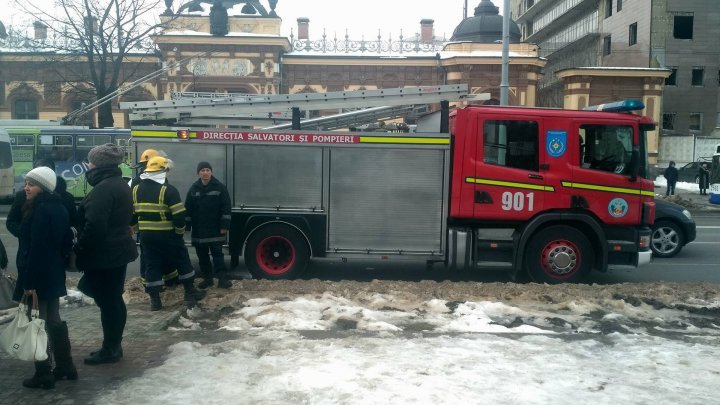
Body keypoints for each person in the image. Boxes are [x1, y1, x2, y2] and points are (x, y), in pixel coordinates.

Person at [74, 143, 138, 365]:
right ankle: (112, 346)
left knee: (109, 302)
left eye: (90, 162)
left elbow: (95, 227)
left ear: (99, 164)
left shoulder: (103, 189)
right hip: (116, 251)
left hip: (105, 255)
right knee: (112, 300)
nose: (88, 165)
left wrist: (79, 249)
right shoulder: (118, 184)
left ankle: (110, 349)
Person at [13, 167, 75, 389]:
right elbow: (65, 242)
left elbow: (35, 249)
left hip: (37, 275)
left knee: (35, 323)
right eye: (26, 183)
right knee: (53, 319)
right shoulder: (58, 207)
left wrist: (29, 283)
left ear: (44, 187)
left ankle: (43, 372)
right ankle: (66, 366)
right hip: (53, 272)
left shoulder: (40, 210)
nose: (26, 188)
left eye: (32, 184)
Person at [131, 156, 206, 311]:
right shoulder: (168, 190)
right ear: (162, 171)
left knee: (151, 265)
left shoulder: (136, 189)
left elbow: (132, 215)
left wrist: (137, 229)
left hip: (146, 236)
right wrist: (179, 232)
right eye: (167, 171)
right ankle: (190, 294)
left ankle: (155, 300)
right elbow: (178, 215)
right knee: (182, 260)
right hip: (168, 235)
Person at [130, 149, 180, 288]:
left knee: (153, 258)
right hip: (153, 228)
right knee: (149, 259)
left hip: (147, 229)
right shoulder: (141, 181)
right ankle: (149, 284)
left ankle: (161, 283)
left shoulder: (143, 179)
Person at [185, 161, 232, 289]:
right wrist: (187, 226)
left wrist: (224, 226)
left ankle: (222, 279)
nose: (205, 172)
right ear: (198, 173)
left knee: (218, 256)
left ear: (211, 172)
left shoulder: (220, 187)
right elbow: (188, 208)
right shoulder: (193, 188)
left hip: (215, 229)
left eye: (207, 170)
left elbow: (226, 208)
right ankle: (208, 279)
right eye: (202, 170)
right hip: (199, 231)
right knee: (202, 257)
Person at [7, 158, 78, 239]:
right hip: (27, 249)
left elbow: (74, 224)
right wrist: (24, 234)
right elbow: (11, 221)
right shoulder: (23, 196)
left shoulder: (66, 198)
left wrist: (61, 237)